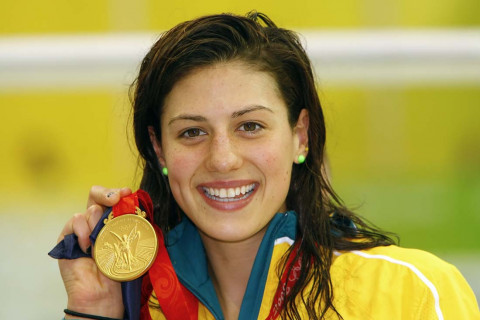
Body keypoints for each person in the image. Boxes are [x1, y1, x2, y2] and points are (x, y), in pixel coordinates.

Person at [53, 12, 479, 320]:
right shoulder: (140, 306)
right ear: (159, 151)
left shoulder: (411, 295)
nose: (222, 158)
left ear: (300, 136)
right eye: (192, 133)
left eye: (250, 126)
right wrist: (95, 310)